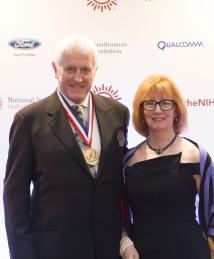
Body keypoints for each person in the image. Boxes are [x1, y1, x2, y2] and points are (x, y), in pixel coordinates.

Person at [3, 35, 129, 259]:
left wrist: (125, 237)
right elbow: (15, 197)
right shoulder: (29, 120)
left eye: (85, 70)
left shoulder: (118, 113)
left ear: (95, 70)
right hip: (54, 249)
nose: (78, 78)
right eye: (70, 69)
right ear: (55, 69)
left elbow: (117, 185)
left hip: (107, 248)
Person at [120, 75, 214, 259]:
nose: (157, 110)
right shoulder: (127, 160)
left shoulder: (196, 155)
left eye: (165, 103)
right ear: (142, 112)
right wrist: (124, 241)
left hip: (189, 251)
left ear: (176, 110)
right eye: (150, 103)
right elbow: (117, 210)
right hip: (140, 252)